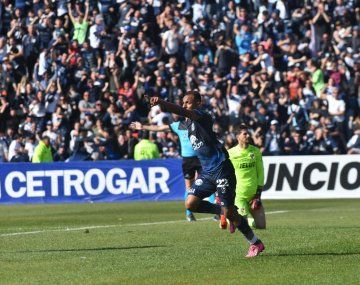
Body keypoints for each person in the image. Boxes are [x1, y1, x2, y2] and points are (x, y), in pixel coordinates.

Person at [149, 91, 265, 257]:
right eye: (183, 102)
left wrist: (162, 102)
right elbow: (175, 119)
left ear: (198, 103)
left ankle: (255, 243)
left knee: (230, 212)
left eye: (188, 102)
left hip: (222, 169)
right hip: (207, 172)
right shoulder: (187, 124)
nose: (184, 105)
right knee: (191, 204)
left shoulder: (203, 116)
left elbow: (183, 112)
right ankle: (224, 211)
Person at [130, 118, 217, 222]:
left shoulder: (198, 124)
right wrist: (143, 127)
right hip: (188, 160)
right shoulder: (179, 125)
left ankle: (215, 212)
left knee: (208, 184)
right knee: (189, 187)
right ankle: (189, 213)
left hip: (200, 158)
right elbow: (160, 128)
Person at [228, 124, 266, 229]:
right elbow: (225, 173)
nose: (248, 135)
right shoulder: (230, 153)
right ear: (237, 137)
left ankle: (242, 219)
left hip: (253, 195)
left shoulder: (255, 151)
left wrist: (258, 194)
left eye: (248, 133)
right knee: (241, 224)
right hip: (239, 194)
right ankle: (229, 217)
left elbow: (261, 172)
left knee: (261, 226)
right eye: (245, 134)